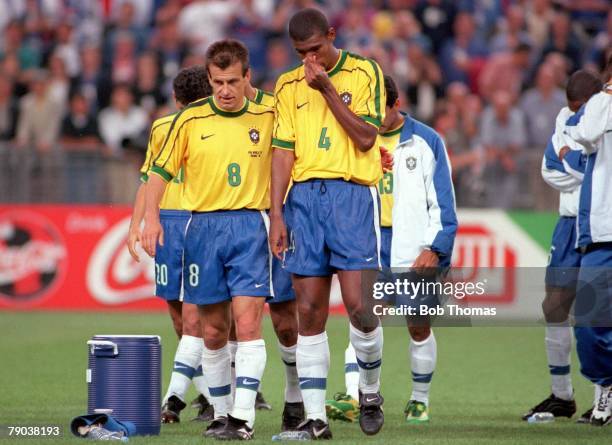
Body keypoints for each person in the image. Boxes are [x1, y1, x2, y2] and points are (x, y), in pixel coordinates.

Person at [142, 39, 274, 441]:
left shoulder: (270, 111)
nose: (225, 90)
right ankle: (220, 413)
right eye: (218, 82)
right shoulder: (189, 120)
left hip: (251, 226)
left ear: (247, 77)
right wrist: (150, 219)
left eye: (233, 81)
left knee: (248, 325)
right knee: (212, 331)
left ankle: (244, 418)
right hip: (202, 229)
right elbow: (158, 174)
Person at [269, 8, 386, 439]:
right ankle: (316, 420)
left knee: (360, 306)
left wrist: (328, 89)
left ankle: (369, 391)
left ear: (332, 36)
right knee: (309, 312)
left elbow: (366, 137)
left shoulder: (364, 72)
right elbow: (282, 152)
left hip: (351, 196)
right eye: (301, 53)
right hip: (303, 201)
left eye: (315, 49)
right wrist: (277, 213)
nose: (309, 61)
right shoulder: (285, 85)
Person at [127, 65, 214, 424]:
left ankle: (177, 397)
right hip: (168, 225)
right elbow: (150, 179)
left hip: (200, 222)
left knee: (195, 316)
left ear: (176, 97)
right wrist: (139, 224)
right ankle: (209, 392)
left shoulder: (214, 124)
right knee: (180, 317)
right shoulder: (163, 128)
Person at [523, 70, 602, 423]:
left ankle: (604, 397)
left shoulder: (605, 117)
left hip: (599, 222)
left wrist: (579, 166)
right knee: (554, 305)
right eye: (571, 110)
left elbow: (597, 170)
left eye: (580, 109)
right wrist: (584, 169)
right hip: (568, 223)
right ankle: (562, 396)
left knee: (598, 311)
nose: (575, 116)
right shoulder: (564, 118)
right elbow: (550, 168)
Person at [389, 75, 457, 424]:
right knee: (361, 321)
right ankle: (358, 395)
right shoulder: (357, 138)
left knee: (417, 326)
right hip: (367, 246)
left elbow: (444, 204)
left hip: (412, 250)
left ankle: (419, 398)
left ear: (395, 104)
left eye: (378, 112)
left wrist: (436, 248)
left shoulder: (427, 140)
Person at [560, 57, 612, 426]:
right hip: (604, 233)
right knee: (589, 326)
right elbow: (584, 132)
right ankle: (606, 385)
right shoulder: (600, 103)